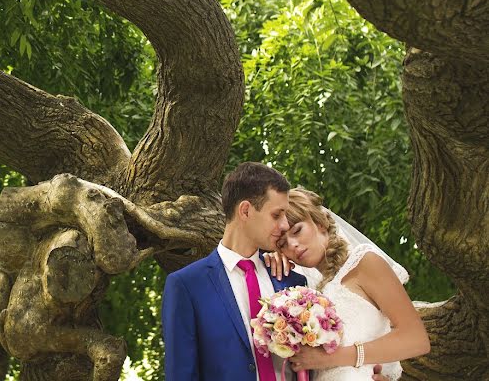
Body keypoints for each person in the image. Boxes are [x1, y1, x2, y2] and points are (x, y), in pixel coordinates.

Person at [161, 162, 307, 380]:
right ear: (245, 210)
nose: (285, 225)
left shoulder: (293, 282)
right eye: (277, 215)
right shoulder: (187, 286)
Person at [266, 188, 430, 381]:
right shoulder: (309, 292)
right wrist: (268, 259)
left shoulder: (364, 262)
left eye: (297, 231)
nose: (292, 245)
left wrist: (330, 358)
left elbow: (416, 339)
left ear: (320, 223)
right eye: (283, 244)